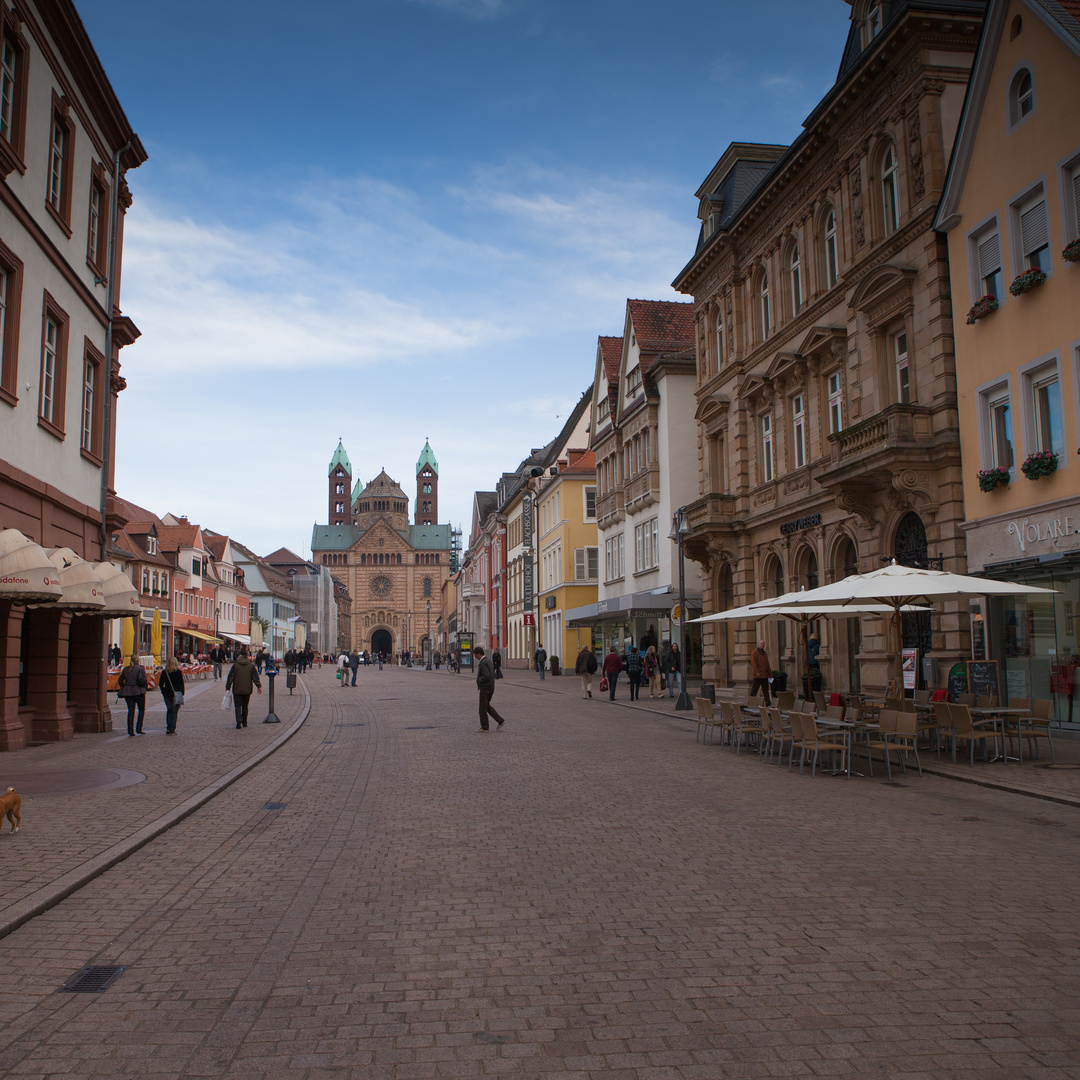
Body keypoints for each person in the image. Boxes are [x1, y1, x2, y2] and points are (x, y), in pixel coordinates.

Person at [473, 645, 507, 732]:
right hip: (491, 686)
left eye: (475, 655)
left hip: (485, 687)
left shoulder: (483, 662)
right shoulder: (488, 661)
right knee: (486, 706)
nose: (475, 657)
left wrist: (479, 680)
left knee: (482, 708)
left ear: (479, 654)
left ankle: (484, 727)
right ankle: (500, 720)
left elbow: (486, 675)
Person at [226, 648, 262, 728]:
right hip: (247, 689)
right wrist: (258, 686)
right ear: (247, 656)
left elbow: (230, 677)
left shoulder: (235, 665)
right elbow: (255, 677)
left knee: (238, 705)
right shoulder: (250, 666)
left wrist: (228, 686)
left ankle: (238, 720)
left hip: (237, 689)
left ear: (240, 656)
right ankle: (244, 721)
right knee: (245, 706)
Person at [117, 656, 147, 736]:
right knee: (141, 710)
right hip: (139, 692)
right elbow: (144, 680)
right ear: (138, 660)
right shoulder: (141, 668)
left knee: (131, 711)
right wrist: (144, 687)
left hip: (128, 693)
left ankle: (130, 730)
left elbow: (120, 680)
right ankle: (139, 728)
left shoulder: (126, 669)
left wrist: (125, 686)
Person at [158, 656, 185, 735]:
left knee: (169, 710)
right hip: (176, 694)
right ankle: (172, 728)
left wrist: (163, 691)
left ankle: (168, 728)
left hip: (167, 694)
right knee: (174, 711)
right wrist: (182, 693)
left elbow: (160, 684)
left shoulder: (164, 672)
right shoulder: (178, 672)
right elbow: (181, 684)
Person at [751, 639, 772, 705]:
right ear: (758, 644)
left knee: (766, 690)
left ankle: (768, 702)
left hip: (765, 675)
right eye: (761, 644)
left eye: (763, 644)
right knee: (754, 690)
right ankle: (750, 702)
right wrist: (757, 672)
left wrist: (770, 674)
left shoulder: (764, 653)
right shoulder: (754, 653)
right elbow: (754, 663)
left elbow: (767, 664)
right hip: (758, 675)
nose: (762, 645)